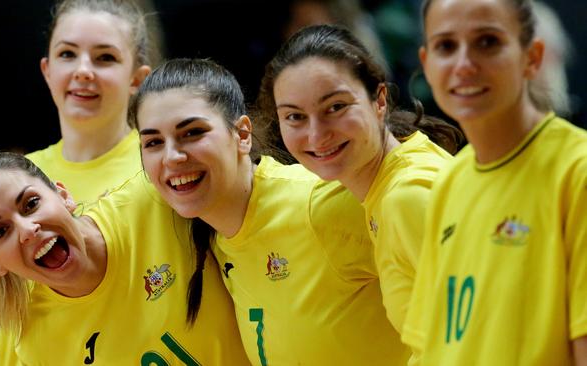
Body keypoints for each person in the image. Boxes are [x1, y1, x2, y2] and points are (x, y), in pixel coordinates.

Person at [130, 57, 410, 365]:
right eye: (153, 142)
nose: (172, 157)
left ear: (242, 135)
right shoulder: (216, 239)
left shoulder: (316, 205)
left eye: (193, 132)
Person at [0, 0, 154, 364]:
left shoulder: (161, 164)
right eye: (67, 54)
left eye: (105, 58)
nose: (83, 70)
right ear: (47, 70)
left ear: (137, 78)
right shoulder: (15, 180)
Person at [401, 0, 587, 364]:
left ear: (531, 57)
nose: (464, 64)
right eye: (446, 46)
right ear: (426, 63)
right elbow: (432, 348)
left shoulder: (576, 172)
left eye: (487, 42)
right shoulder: (451, 179)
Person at [255, 24, 462, 335]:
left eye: (335, 107)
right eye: (295, 116)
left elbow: (489, 327)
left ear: (379, 100)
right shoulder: (395, 172)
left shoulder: (406, 195)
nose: (316, 135)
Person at [0, 151, 248, 364]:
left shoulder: (154, 201)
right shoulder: (37, 343)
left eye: (31, 204)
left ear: (62, 195)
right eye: (1, 231)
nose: (28, 230)